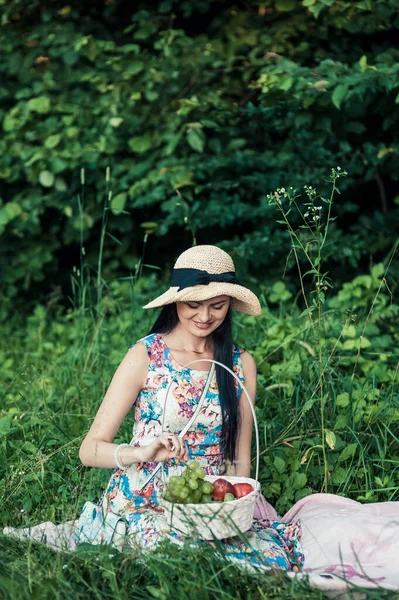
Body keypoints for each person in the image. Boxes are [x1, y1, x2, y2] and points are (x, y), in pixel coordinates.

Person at [74, 244, 303, 569]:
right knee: (180, 552)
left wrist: (234, 509)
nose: (205, 316)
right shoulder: (146, 356)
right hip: (146, 495)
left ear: (230, 305)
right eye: (194, 304)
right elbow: (89, 449)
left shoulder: (240, 364)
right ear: (176, 301)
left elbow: (239, 457)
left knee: (267, 558)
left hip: (210, 499)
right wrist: (140, 453)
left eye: (218, 306)